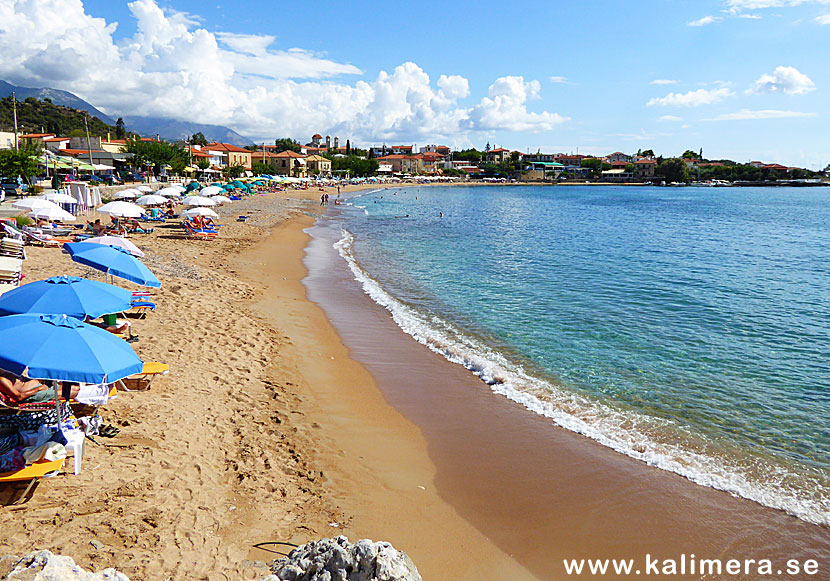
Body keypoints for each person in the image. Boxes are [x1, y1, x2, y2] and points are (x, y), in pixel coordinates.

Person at [0, 370, 80, 404]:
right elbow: (19, 397)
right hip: (35, 393)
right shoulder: (2, 379)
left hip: (40, 387)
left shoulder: (8, 372)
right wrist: (38, 389)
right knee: (73, 392)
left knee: (74, 387)